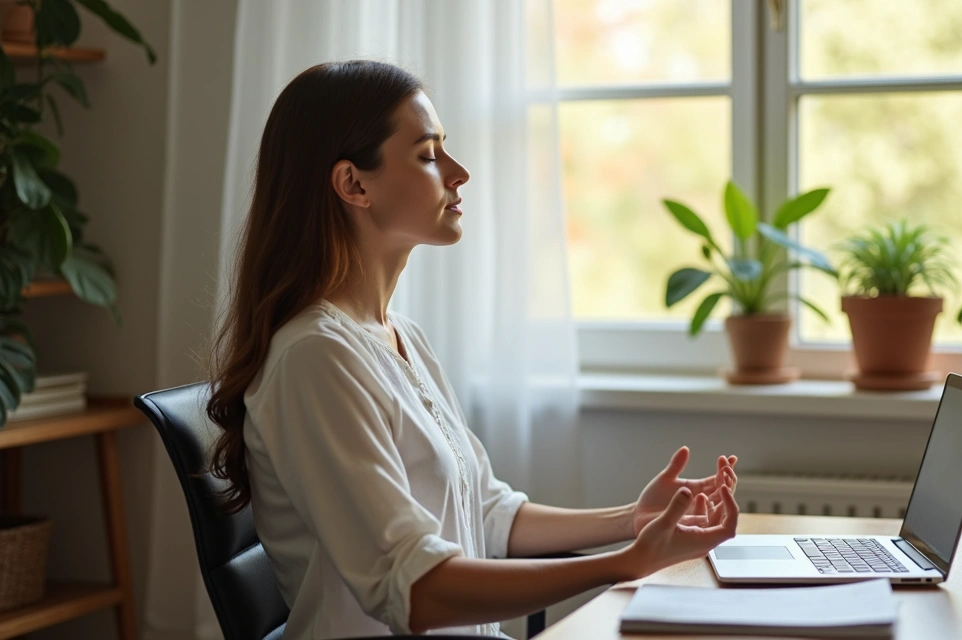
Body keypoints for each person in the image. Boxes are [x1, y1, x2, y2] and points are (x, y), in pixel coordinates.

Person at [205, 60, 740, 639]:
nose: (459, 173)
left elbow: (486, 513)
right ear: (354, 184)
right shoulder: (315, 359)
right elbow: (415, 591)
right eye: (428, 155)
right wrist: (624, 564)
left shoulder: (402, 338)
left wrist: (633, 520)